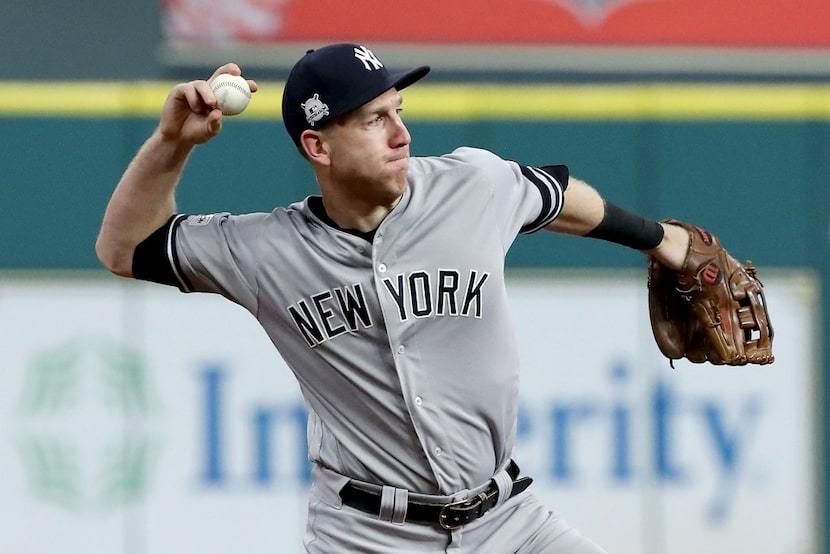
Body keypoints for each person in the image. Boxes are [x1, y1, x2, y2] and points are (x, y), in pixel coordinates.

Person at [96, 43, 691, 553]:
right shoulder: (265, 251)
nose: (402, 134)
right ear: (319, 147)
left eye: (397, 110)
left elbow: (557, 196)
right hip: (368, 534)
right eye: (374, 119)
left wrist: (664, 242)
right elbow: (125, 248)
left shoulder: (471, 184)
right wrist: (173, 142)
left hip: (510, 524)